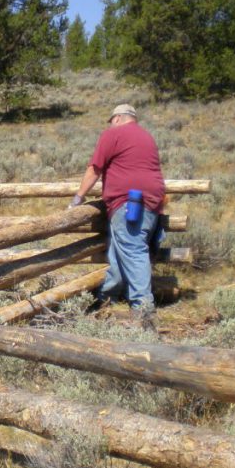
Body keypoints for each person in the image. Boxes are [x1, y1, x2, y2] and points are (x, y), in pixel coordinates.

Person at [70, 103, 165, 317]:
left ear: (119, 118)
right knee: (120, 248)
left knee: (133, 249)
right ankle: (107, 297)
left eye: (111, 120)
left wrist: (78, 198)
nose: (110, 124)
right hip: (152, 200)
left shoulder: (114, 134)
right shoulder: (146, 136)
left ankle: (143, 310)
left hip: (130, 201)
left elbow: (95, 169)